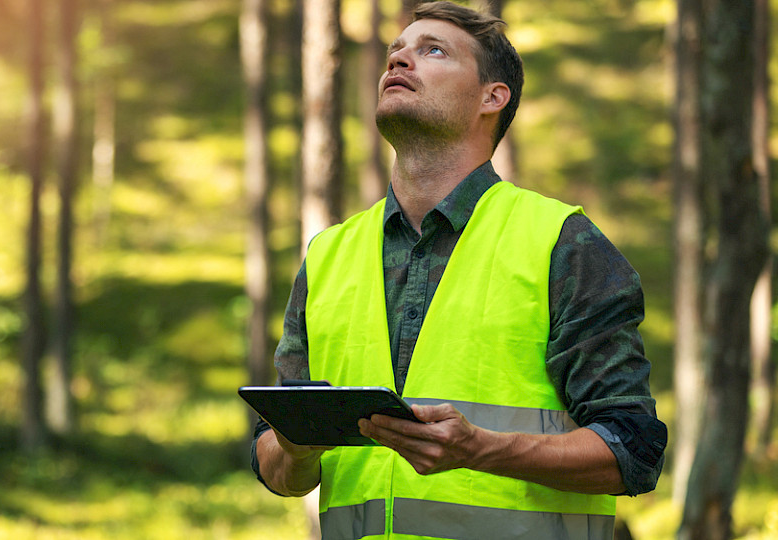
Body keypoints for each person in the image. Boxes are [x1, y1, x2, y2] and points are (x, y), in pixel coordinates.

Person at [251, 2, 666, 538]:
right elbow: (274, 461)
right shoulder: (328, 254)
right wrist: (294, 448)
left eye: (433, 51)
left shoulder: (562, 242)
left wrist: (483, 449)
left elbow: (633, 450)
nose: (399, 60)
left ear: (492, 98)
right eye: (395, 51)